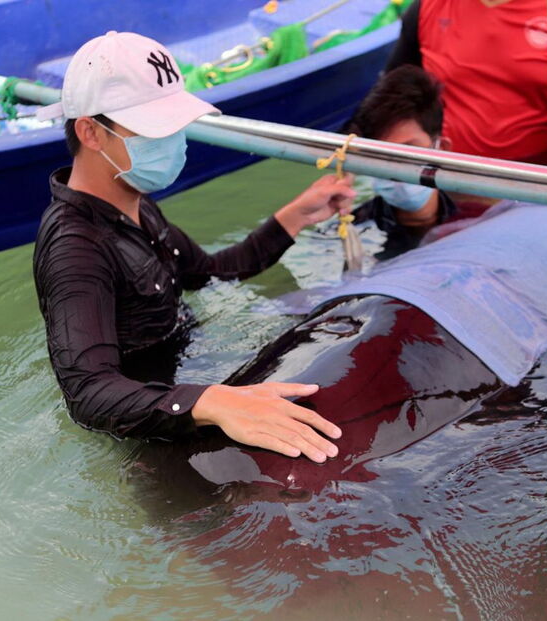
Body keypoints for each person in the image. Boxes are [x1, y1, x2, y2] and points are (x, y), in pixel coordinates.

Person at [33, 31, 356, 463]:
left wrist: (296, 214)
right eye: (154, 129)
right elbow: (88, 393)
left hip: (190, 377)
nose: (173, 141)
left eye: (175, 125)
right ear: (91, 132)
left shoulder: (136, 206)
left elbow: (211, 272)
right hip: (152, 430)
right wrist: (209, 402)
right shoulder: (75, 248)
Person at [385, 0, 547, 166]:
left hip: (542, 192)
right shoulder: (428, 7)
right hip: (447, 181)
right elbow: (390, 99)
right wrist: (350, 156)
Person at [344, 64, 469, 259]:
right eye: (381, 155)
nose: (396, 168)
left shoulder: (475, 220)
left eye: (409, 150)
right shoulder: (349, 234)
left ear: (442, 149)